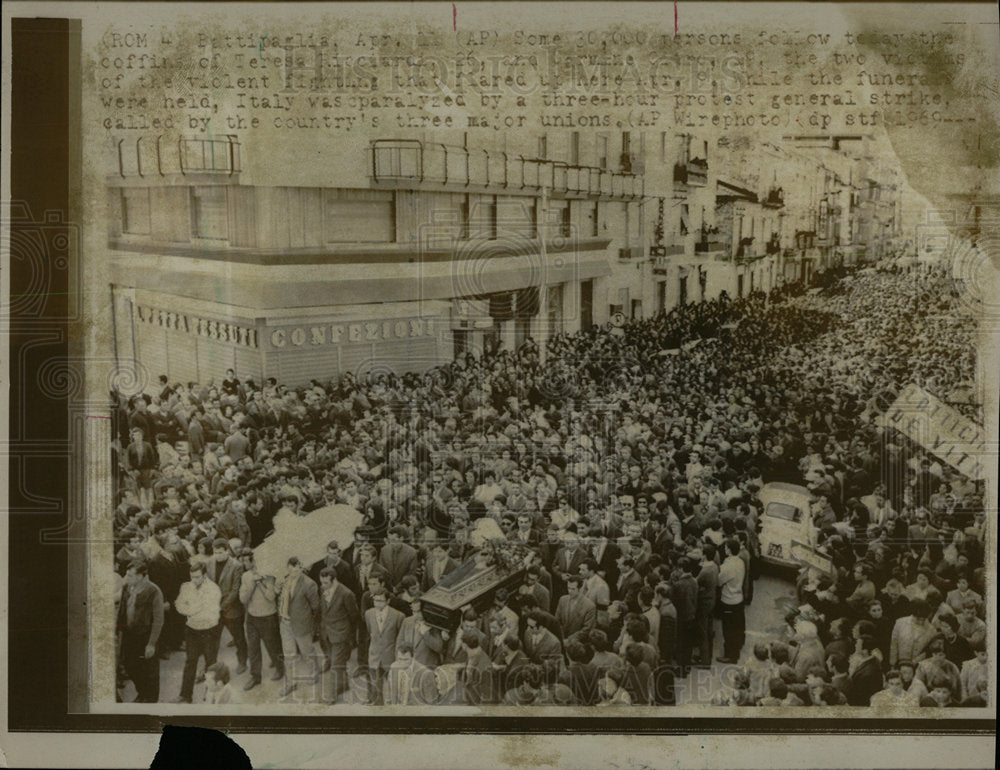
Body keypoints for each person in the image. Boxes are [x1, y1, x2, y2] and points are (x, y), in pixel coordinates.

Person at [116, 560, 164, 703]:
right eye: (126, 574)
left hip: (146, 636)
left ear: (141, 576)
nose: (126, 577)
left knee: (150, 671)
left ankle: (150, 700)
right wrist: (117, 630)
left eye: (130, 575)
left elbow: (158, 619)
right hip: (130, 636)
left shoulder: (153, 591)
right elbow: (122, 611)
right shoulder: (126, 587)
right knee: (131, 667)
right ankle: (143, 693)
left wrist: (151, 644)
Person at [174, 562, 222, 703]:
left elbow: (209, 612)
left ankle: (210, 696)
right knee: (190, 662)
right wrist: (192, 610)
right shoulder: (186, 587)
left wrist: (190, 609)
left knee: (211, 664)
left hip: (209, 630)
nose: (194, 580)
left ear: (204, 575)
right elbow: (178, 604)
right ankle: (185, 695)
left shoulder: (213, 589)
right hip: (192, 629)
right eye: (192, 577)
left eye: (197, 577)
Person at [238, 548, 284, 690]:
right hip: (251, 617)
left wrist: (260, 583)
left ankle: (280, 669)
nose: (244, 563)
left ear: (254, 560)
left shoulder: (269, 575)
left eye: (246, 560)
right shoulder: (245, 576)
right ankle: (255, 677)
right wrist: (253, 583)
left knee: (272, 646)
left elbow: (271, 597)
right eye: (243, 560)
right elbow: (243, 599)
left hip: (268, 616)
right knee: (253, 648)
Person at [277, 556, 321, 697]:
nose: (293, 571)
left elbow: (316, 606)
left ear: (301, 567)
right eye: (290, 569)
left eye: (296, 568)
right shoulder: (284, 580)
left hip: (301, 625)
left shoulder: (309, 584)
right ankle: (290, 683)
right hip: (285, 623)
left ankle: (313, 672)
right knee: (288, 655)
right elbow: (282, 599)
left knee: (307, 652)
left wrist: (309, 623)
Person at [318, 567, 361, 703]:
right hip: (327, 634)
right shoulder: (323, 589)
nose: (323, 586)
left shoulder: (346, 594)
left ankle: (331, 695)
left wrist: (350, 637)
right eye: (321, 582)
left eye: (326, 583)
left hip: (341, 635)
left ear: (334, 580)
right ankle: (343, 685)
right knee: (337, 662)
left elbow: (354, 616)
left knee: (335, 666)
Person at [209, 539, 248, 676]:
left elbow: (235, 589)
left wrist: (222, 606)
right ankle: (210, 666)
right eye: (215, 552)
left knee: (238, 638)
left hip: (232, 609)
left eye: (220, 552)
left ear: (227, 551)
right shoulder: (210, 563)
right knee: (213, 640)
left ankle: (242, 661)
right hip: (215, 608)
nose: (217, 555)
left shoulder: (236, 565)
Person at [364, 589, 405, 705]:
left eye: (380, 601)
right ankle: (378, 707)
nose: (377, 604)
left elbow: (400, 637)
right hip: (375, 655)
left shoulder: (398, 616)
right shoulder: (368, 614)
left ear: (388, 601)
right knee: (376, 685)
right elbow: (370, 631)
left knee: (393, 686)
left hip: (390, 656)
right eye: (375, 601)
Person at [717, 538, 746, 663]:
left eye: (726, 547)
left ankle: (730, 655)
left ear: (728, 550)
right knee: (737, 626)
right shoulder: (740, 562)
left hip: (728, 600)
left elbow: (719, 581)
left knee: (728, 629)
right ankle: (737, 649)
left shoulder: (729, 565)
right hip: (738, 598)